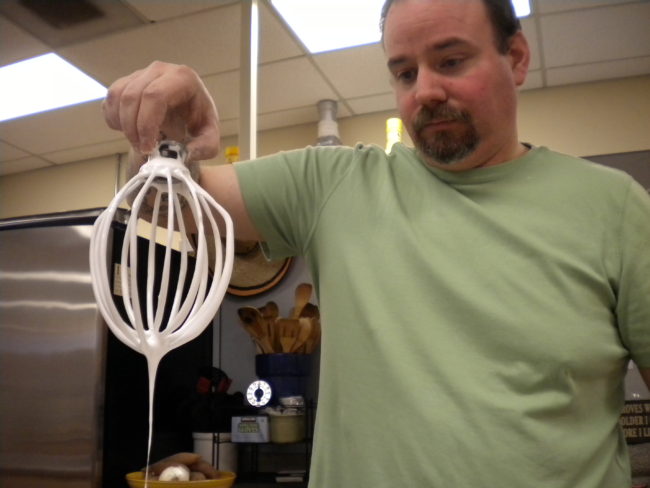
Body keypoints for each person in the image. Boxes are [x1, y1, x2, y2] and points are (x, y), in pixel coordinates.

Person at [102, 0, 650, 486]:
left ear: (518, 58)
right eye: (405, 72)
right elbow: (173, 201)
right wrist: (166, 146)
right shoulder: (335, 184)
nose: (426, 90)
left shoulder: (613, 208)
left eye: (451, 60)